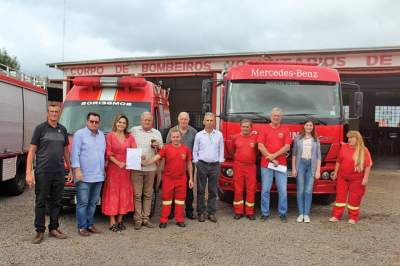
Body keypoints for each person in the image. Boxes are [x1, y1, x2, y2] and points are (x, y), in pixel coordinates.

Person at [26, 104, 72, 244]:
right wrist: (29, 172)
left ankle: (53, 228)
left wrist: (70, 169)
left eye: (56, 112)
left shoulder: (62, 129)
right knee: (41, 201)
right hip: (43, 171)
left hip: (58, 172)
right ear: (47, 113)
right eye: (51, 111)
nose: (54, 114)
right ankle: (40, 231)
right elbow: (32, 151)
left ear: (59, 113)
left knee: (56, 201)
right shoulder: (40, 129)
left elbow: (65, 152)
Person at [143, 129, 194, 228]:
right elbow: (157, 157)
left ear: (180, 137)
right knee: (166, 200)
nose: (175, 139)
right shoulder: (166, 148)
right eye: (173, 137)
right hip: (168, 179)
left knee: (180, 200)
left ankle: (179, 219)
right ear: (170, 138)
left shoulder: (185, 149)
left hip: (181, 179)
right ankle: (164, 220)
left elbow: (189, 163)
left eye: (177, 137)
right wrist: (145, 163)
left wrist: (191, 178)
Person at [71, 112, 106, 236]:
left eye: (96, 122)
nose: (94, 124)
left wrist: (104, 170)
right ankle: (82, 227)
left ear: (99, 123)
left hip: (98, 175)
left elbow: (102, 154)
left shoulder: (101, 135)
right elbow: (75, 154)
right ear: (87, 122)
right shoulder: (79, 134)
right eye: (91, 121)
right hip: (84, 176)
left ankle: (90, 224)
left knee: (93, 203)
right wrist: (77, 170)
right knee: (83, 203)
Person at [102, 114, 136, 232]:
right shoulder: (110, 136)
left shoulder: (129, 137)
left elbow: (134, 150)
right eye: (119, 122)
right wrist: (118, 163)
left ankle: (120, 220)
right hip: (113, 169)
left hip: (126, 169)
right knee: (113, 193)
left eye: (124, 123)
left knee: (124, 193)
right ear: (116, 123)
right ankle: (112, 221)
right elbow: (108, 153)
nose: (121, 124)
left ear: (126, 125)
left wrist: (139, 156)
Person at [329, 130, 372, 224]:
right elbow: (338, 161)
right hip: (342, 177)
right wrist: (335, 173)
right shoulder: (344, 147)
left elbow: (368, 165)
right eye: (348, 137)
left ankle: (353, 217)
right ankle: (336, 216)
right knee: (340, 197)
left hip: (357, 179)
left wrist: (365, 178)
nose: (349, 139)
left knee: (354, 198)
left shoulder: (364, 150)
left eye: (351, 137)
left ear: (357, 139)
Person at [258, 107, 291, 223]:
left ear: (281, 117)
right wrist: (271, 159)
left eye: (278, 115)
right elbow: (260, 146)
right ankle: (265, 213)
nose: (276, 117)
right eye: (274, 115)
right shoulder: (264, 129)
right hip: (266, 165)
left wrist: (273, 156)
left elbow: (287, 146)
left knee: (283, 190)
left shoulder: (286, 129)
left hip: (280, 165)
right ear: (270, 116)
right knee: (265, 190)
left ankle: (282, 213)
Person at [131, 112, 163, 230]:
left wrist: (157, 146)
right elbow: (127, 144)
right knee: (137, 195)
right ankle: (138, 219)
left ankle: (146, 218)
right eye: (145, 120)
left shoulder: (157, 133)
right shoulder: (133, 130)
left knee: (148, 194)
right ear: (141, 120)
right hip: (136, 167)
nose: (147, 122)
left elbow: (162, 150)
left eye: (149, 120)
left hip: (151, 168)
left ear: (152, 121)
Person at [193, 112, 224, 223]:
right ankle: (201, 212)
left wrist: (220, 161)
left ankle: (211, 212)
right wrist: (196, 162)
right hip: (202, 164)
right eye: (207, 120)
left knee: (213, 190)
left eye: (211, 120)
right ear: (204, 122)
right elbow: (195, 150)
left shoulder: (219, 135)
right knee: (200, 190)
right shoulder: (199, 135)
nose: (209, 122)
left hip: (214, 166)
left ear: (214, 122)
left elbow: (221, 150)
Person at [166, 112, 197, 219]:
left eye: (186, 119)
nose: (183, 121)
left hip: (188, 164)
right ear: (178, 119)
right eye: (182, 119)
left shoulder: (193, 132)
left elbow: (196, 148)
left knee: (189, 189)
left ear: (188, 120)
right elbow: (167, 146)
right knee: (173, 189)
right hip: (174, 165)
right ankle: (171, 211)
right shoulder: (172, 131)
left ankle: (189, 211)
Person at [292, 120, 321, 223]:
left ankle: (306, 214)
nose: (309, 127)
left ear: (313, 127)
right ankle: (300, 214)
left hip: (311, 166)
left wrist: (318, 170)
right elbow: (294, 155)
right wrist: (294, 168)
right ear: (304, 126)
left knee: (308, 191)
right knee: (300, 190)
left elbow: (318, 157)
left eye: (310, 125)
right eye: (307, 125)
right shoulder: (298, 138)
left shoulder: (316, 139)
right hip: (300, 165)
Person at [229, 119, 258, 220]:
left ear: (251, 128)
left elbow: (257, 152)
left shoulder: (255, 138)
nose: (245, 128)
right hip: (238, 166)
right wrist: (238, 158)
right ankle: (238, 211)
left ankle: (249, 212)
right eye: (243, 126)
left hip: (251, 167)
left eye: (247, 127)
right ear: (240, 127)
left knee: (251, 190)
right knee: (238, 189)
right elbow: (232, 150)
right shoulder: (235, 138)